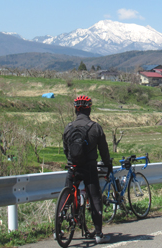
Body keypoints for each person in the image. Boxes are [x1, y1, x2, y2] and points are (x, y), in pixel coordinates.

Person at [62, 95, 112, 244]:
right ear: (89, 109)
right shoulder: (95, 127)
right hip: (89, 168)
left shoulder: (68, 127)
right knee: (95, 197)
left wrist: (71, 161)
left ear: (76, 110)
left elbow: (66, 149)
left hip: (73, 167)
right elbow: (104, 150)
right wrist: (107, 165)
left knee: (67, 192)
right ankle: (98, 234)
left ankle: (59, 225)